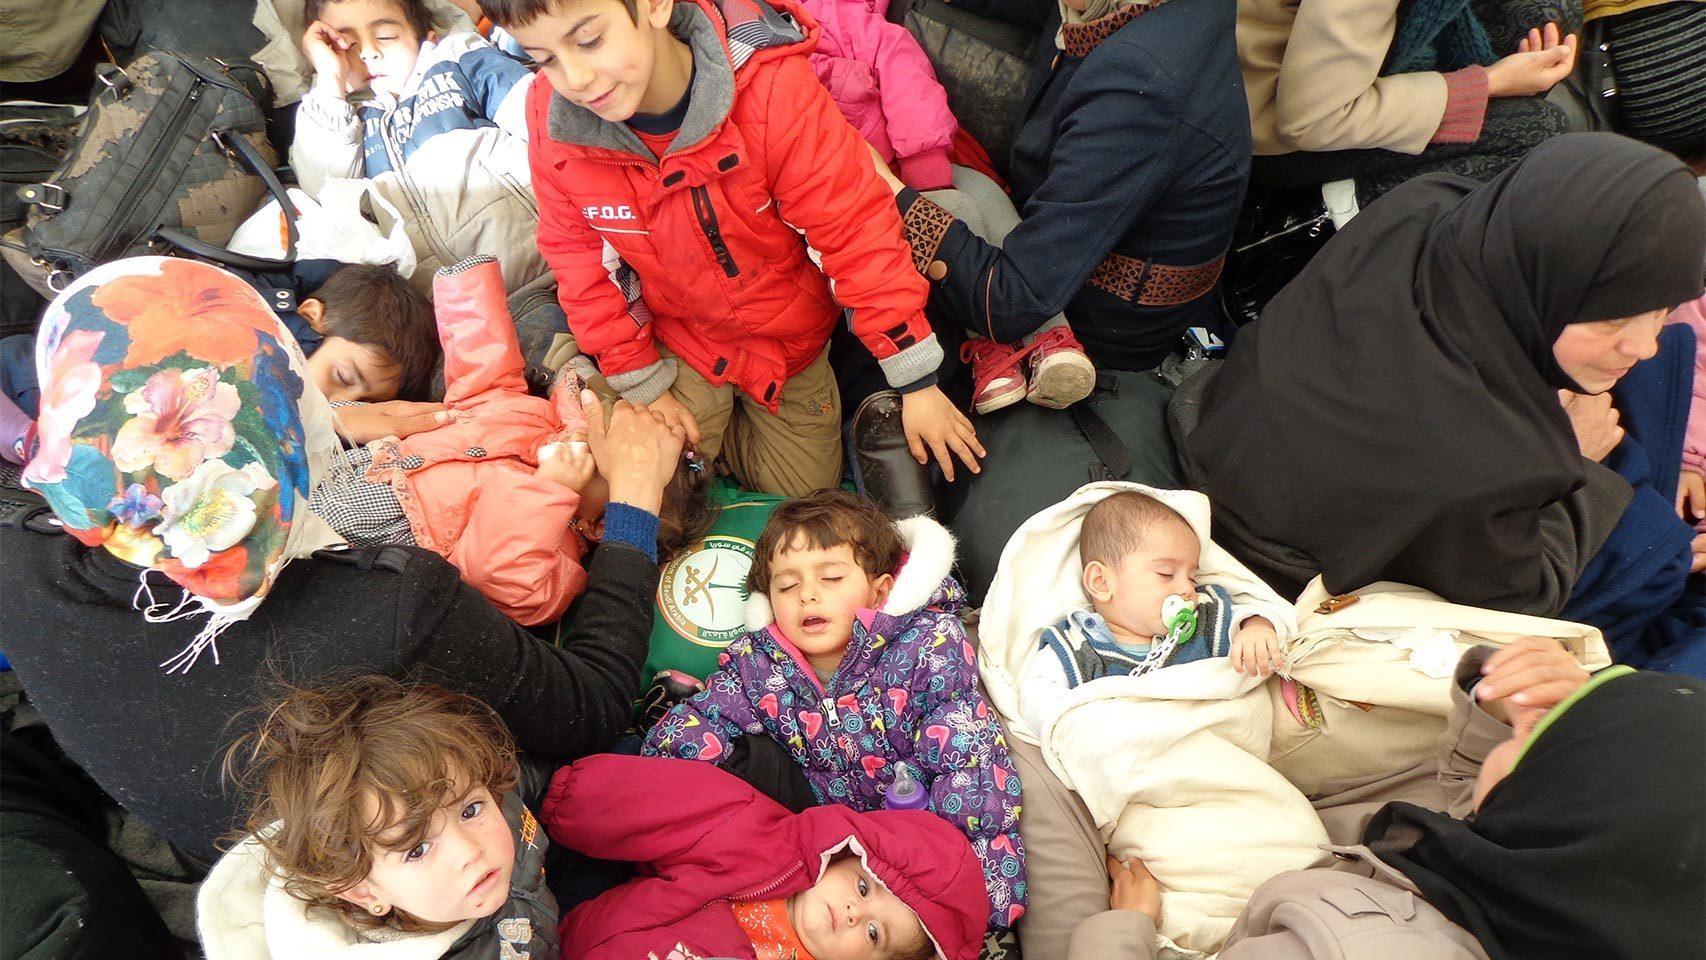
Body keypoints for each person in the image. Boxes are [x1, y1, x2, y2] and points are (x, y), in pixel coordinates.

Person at [2, 256, 677, 870]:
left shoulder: (21, 562)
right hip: (372, 862)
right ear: (293, 423)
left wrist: (356, 420)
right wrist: (633, 504)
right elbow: (591, 705)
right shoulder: (389, 605)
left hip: (227, 855)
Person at [1176, 134, 1706, 645]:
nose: (1644, 344)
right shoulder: (1490, 465)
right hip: (1281, 573)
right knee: (1659, 554)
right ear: (1545, 284)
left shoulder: (1429, 205)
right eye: (1614, 319)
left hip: (1220, 428)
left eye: (1660, 311)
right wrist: (1580, 460)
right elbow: (1526, 599)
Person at [492, 0, 984, 496]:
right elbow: (578, 260)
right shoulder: (551, 116)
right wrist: (639, 381)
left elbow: (855, 229)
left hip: (789, 347)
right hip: (680, 338)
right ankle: (585, 381)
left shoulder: (773, 92)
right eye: (544, 58)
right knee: (637, 489)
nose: (573, 77)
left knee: (803, 495)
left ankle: (690, 444)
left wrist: (916, 381)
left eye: (589, 40)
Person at [1084, 639, 1705, 960]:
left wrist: (1124, 931)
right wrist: (1505, 706)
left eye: (1550, 737)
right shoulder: (1550, 901)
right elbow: (1479, 808)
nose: (1532, 725)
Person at [643, 489, 1026, 930]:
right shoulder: (758, 665)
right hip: (817, 858)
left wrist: (986, 893)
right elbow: (681, 735)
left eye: (830, 578)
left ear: (880, 590)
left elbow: (968, 766)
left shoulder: (927, 647)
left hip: (917, 850)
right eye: (787, 585)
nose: (807, 595)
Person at [309, 256, 714, 626]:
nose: (597, 436)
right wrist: (469, 291)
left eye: (599, 461)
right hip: (347, 464)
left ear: (597, 524)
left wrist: (550, 489)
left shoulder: (558, 557)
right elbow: (487, 378)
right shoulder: (546, 417)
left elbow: (498, 575)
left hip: (365, 537)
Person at [868, 0, 1250, 384]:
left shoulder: (1139, 82)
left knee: (871, 326)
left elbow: (1011, 302)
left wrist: (890, 192)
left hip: (1094, 321)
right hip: (1080, 241)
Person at [198, 677, 556, 959]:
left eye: (470, 810)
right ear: (363, 890)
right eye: (417, 850)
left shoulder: (483, 798)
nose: (469, 851)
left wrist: (571, 791)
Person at [541, 754, 991, 960]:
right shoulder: (755, 836)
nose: (856, 913)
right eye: (862, 887)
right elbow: (673, 807)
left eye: (875, 934)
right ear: (840, 855)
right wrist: (572, 801)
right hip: (558, 941)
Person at [0, 258, 438, 462]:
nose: (339, 400)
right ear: (308, 319)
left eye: (362, 401)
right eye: (343, 376)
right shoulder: (235, 321)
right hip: (31, 377)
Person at [291, 0, 550, 295]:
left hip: (543, 263)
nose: (368, 52)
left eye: (386, 36)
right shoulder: (335, 115)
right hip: (447, 307)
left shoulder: (457, 60)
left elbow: (540, 119)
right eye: (346, 45)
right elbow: (322, 186)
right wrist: (329, 82)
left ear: (427, 38)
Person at [1239, 0, 1579, 207]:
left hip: (1317, 60)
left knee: (1547, 15)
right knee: (1536, 132)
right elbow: (1309, 122)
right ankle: (1302, 227)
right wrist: (1487, 84)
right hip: (1267, 128)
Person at [1021, 491, 1294, 729]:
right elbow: (1036, 698)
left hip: (1211, 731)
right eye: (1166, 573)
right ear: (1101, 582)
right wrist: (1085, 726)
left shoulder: (1205, 621)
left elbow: (1262, 613)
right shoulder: (1078, 648)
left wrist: (1257, 626)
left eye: (1192, 577)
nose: (1187, 589)